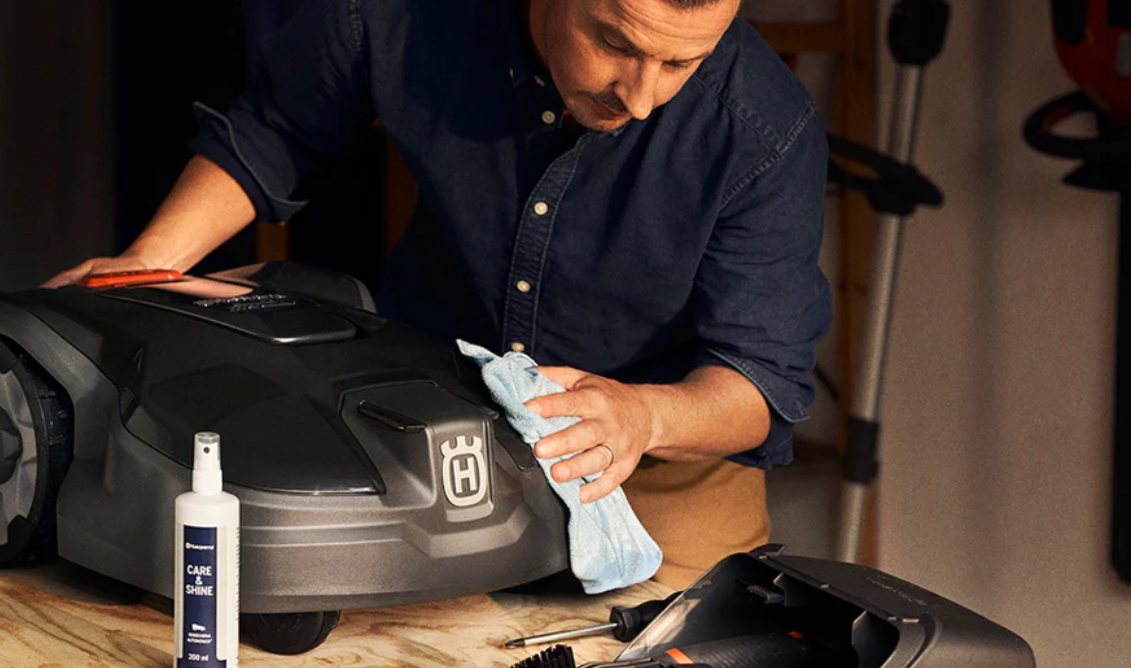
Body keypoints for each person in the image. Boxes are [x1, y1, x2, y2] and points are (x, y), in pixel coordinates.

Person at [46, 0, 831, 590]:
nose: (643, 97)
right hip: (422, 427)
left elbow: (760, 379)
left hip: (652, 472)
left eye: (682, 64)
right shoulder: (409, 12)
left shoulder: (766, 128)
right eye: (616, 43)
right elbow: (277, 128)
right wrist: (149, 264)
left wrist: (644, 415)